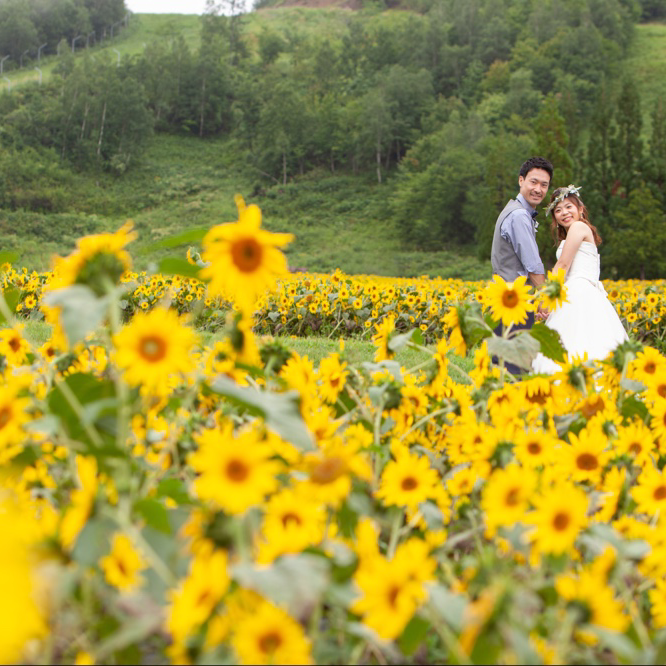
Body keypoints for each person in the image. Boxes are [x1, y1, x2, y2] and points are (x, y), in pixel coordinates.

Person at [532, 185, 628, 375]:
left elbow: (563, 265)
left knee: (576, 341)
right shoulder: (571, 235)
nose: (564, 213)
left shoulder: (578, 227)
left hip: (579, 291)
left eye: (568, 207)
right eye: (558, 210)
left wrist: (547, 299)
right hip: (576, 291)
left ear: (580, 209)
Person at [491, 157, 553, 374]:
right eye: (533, 182)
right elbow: (533, 265)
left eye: (544, 185)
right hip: (513, 300)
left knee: (503, 365)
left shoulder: (516, 210)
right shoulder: (518, 215)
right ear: (521, 181)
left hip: (506, 298)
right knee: (513, 368)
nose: (538, 189)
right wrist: (545, 298)